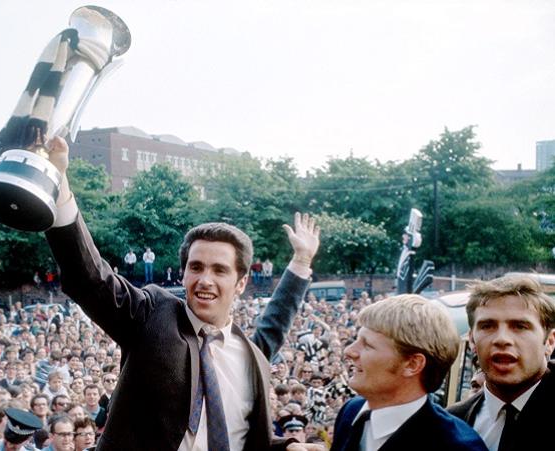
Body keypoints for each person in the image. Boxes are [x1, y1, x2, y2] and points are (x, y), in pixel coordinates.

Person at [40, 136, 318, 450]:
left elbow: (243, 436)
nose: (205, 280)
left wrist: (302, 262)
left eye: (220, 270)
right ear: (183, 273)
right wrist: (59, 181)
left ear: (241, 283)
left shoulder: (250, 355)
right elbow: (90, 279)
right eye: (196, 267)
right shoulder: (152, 315)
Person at [330, 295, 486, 451]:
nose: (349, 351)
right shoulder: (351, 411)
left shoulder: (459, 446)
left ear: (412, 364)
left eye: (368, 345)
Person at [447, 275, 555, 451]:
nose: (502, 339)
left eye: (520, 326)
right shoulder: (452, 424)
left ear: (549, 342)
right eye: (487, 326)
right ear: (472, 340)